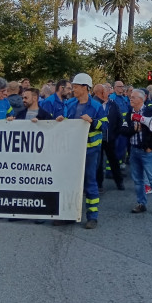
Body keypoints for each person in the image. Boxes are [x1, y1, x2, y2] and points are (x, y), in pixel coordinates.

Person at [64, 73, 106, 228]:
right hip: (72, 150)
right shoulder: (70, 104)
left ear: (84, 88)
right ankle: (68, 214)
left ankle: (92, 216)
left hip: (90, 151)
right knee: (70, 182)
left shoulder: (96, 106)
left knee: (90, 182)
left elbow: (105, 126)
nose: (72, 89)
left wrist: (92, 122)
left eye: (75, 86)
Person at [124, 89, 152, 216]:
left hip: (147, 151)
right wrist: (133, 130)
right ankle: (141, 203)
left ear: (141, 99)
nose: (130, 99)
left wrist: (151, 147)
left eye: (133, 97)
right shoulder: (129, 113)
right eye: (130, 97)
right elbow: (123, 131)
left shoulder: (150, 111)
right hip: (134, 149)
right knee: (138, 180)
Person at [93, 83, 125, 192]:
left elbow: (119, 119)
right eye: (105, 90)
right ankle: (99, 184)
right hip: (97, 138)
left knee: (114, 160)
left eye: (107, 90)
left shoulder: (113, 104)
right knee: (98, 162)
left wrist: (115, 134)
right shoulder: (94, 103)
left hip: (110, 138)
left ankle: (119, 182)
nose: (107, 92)